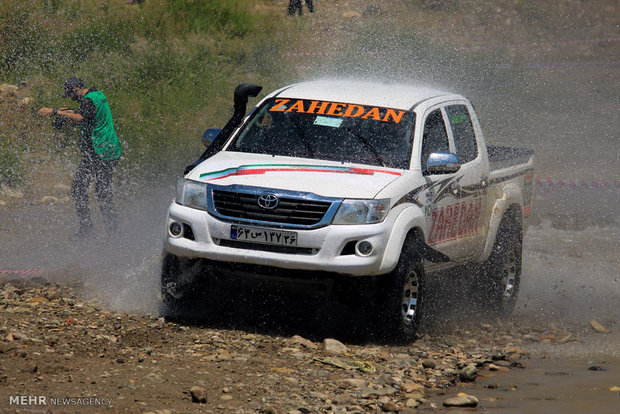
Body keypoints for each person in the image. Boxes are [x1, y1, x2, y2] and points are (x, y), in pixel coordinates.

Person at [38, 77, 122, 240]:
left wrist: (55, 111)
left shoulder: (88, 101)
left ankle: (92, 231)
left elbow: (79, 117)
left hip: (100, 152)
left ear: (75, 89)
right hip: (109, 150)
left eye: (70, 95)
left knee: (85, 189)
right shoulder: (97, 94)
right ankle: (110, 232)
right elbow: (84, 113)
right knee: (99, 192)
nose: (70, 98)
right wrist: (66, 112)